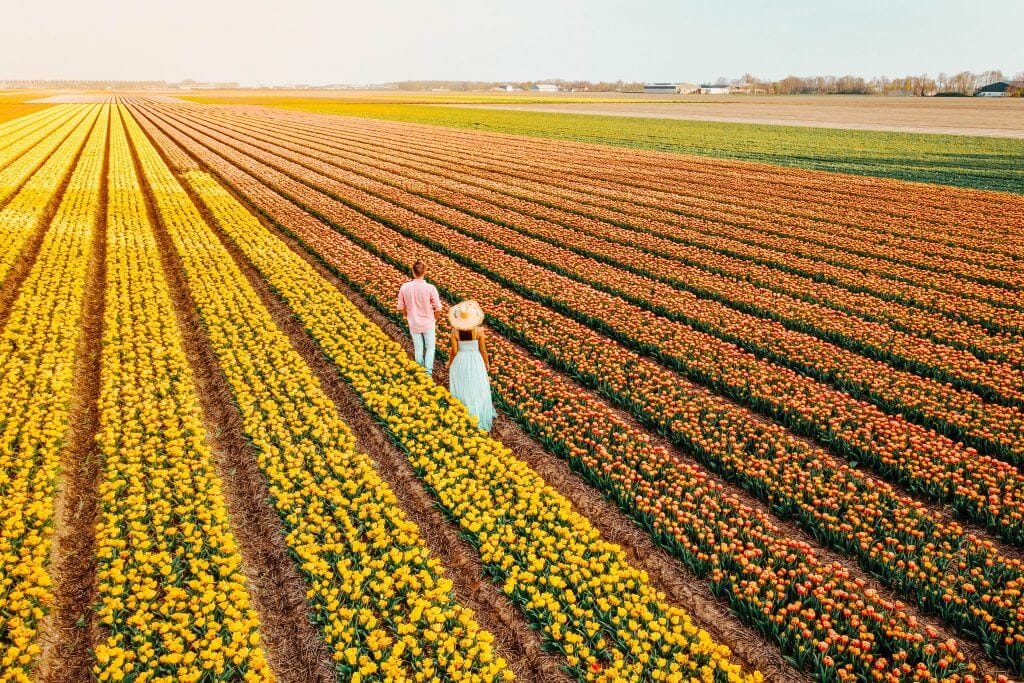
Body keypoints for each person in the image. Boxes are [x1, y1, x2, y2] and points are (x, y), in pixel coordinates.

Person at [444, 300, 496, 432]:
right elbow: (483, 350)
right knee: (477, 387)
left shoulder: (455, 332)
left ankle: (464, 414)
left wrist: (449, 362)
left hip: (461, 360)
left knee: (463, 387)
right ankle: (477, 414)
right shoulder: (479, 331)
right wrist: (486, 363)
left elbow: (454, 351)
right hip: (475, 360)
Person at [397, 260, 443, 374]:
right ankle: (427, 373)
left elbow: (400, 307)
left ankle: (419, 372)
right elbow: (438, 308)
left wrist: (408, 315)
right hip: (428, 322)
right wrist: (434, 319)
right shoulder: (430, 288)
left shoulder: (405, 287)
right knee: (430, 348)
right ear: (425, 272)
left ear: (413, 272)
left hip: (413, 323)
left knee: (418, 348)